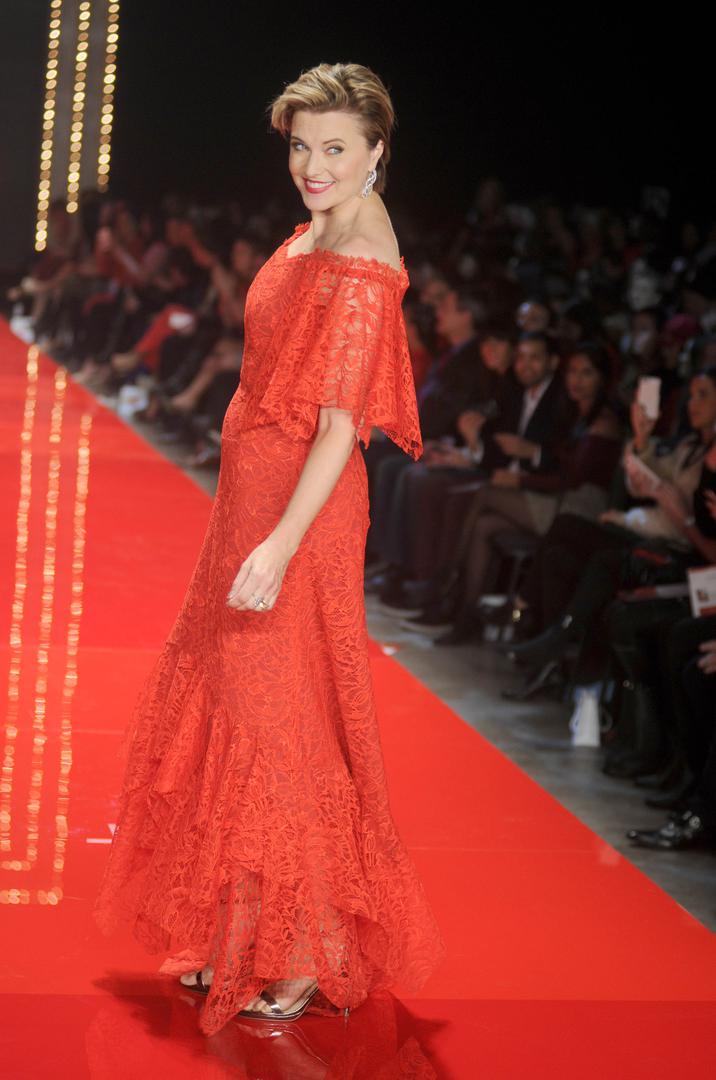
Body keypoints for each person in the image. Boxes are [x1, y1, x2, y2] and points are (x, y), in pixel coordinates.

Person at [92, 62, 446, 1036]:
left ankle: (303, 949)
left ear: (377, 151)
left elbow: (339, 429)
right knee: (243, 719)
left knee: (286, 731)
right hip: (252, 501)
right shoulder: (322, 224)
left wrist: (279, 547)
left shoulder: (364, 259)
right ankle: (244, 930)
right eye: (300, 146)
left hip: (299, 513)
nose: (312, 166)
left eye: (335, 148)